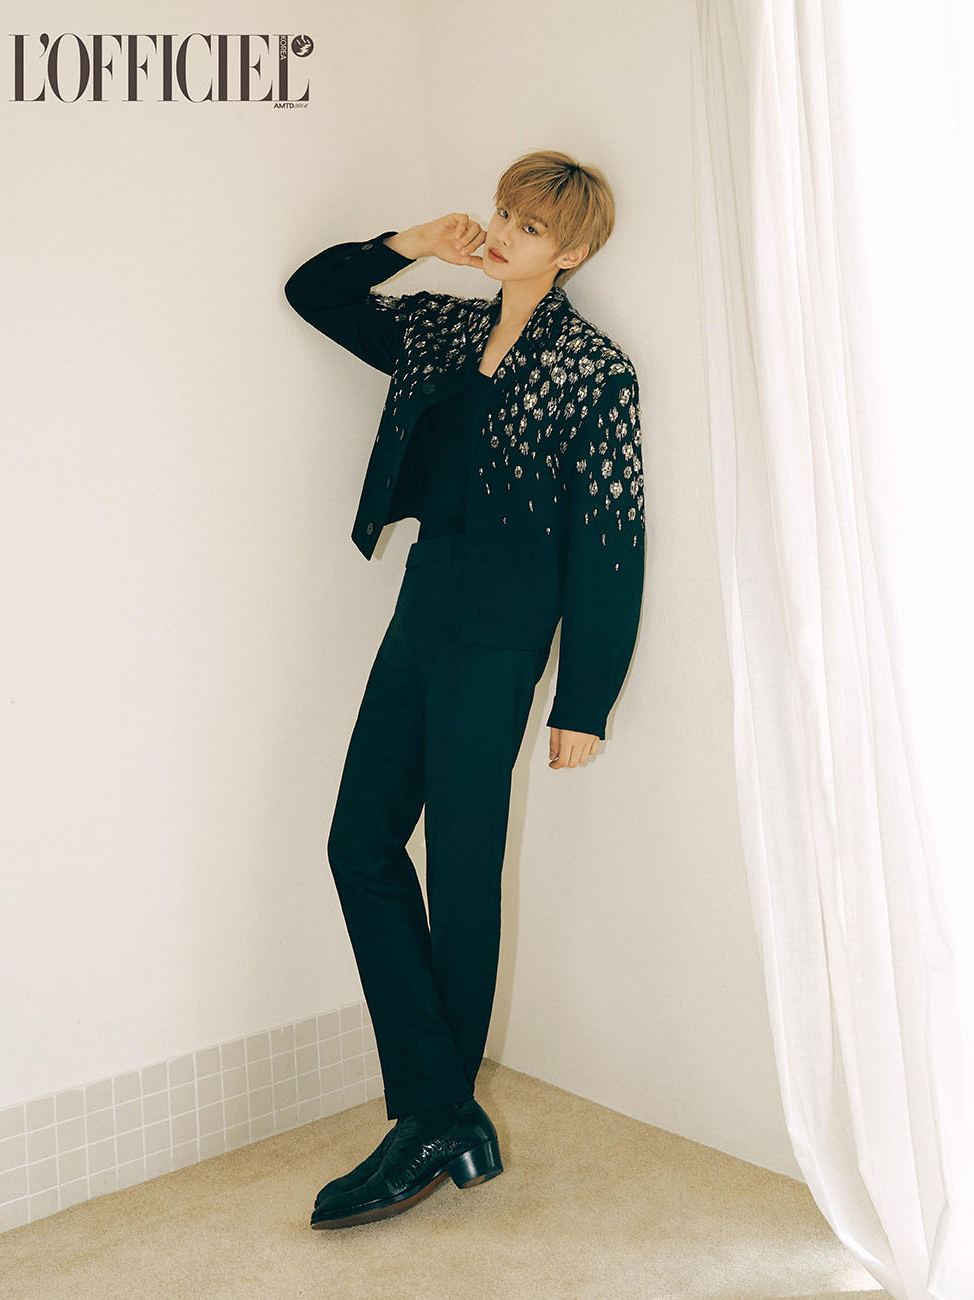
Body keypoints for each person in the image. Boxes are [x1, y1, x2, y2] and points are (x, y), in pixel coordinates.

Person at [283, 150, 646, 1230]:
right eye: (501, 213)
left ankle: (428, 1121)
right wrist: (408, 244)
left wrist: (584, 699)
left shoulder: (593, 369)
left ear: (572, 251)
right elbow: (314, 292)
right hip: (424, 603)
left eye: (527, 226)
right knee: (358, 842)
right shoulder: (440, 328)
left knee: (463, 865)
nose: (501, 232)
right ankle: (444, 1112)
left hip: (503, 629)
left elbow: (612, 541)